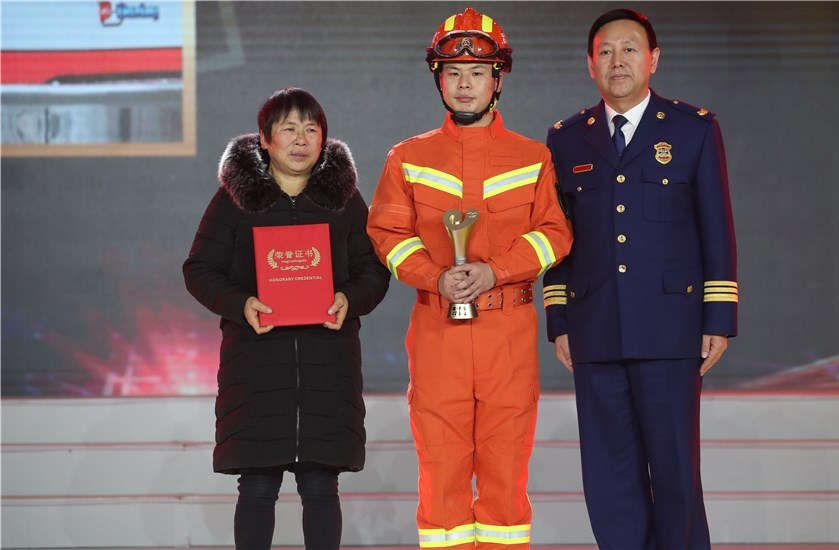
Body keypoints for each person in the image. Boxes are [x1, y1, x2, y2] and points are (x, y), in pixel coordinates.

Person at [366, 8, 573, 549]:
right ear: (438, 78)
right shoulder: (407, 158)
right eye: (453, 72)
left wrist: (494, 271)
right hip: (438, 331)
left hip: (508, 332)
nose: (464, 83)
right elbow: (387, 233)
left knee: (506, 472)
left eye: (477, 72)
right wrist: (435, 277)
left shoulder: (533, 158)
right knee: (440, 472)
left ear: (497, 79)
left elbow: (555, 234)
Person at [542, 8, 738, 549]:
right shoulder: (565, 139)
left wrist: (718, 317)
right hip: (595, 328)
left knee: (675, 473)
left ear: (653, 59)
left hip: (671, 329)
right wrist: (559, 317)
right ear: (590, 65)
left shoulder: (693, 129)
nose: (617, 61)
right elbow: (557, 237)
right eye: (605, 51)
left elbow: (716, 228)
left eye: (629, 49)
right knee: (609, 479)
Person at [183, 87, 390, 549]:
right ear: (265, 140)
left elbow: (374, 271)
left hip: (328, 369)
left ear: (323, 140)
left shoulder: (345, 200)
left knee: (321, 485)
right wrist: (242, 304)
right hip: (255, 368)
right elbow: (199, 270)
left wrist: (348, 299)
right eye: (289, 129)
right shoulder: (234, 201)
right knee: (257, 486)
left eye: (311, 130)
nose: (300, 139)